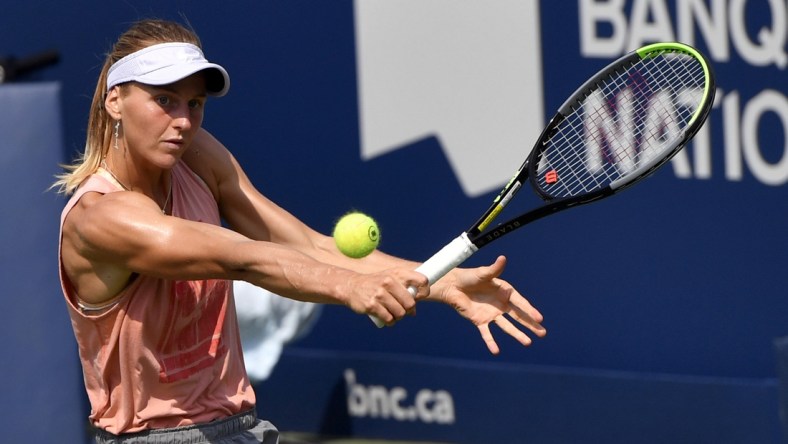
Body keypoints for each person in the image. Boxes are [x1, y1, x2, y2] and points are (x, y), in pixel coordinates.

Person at [54, 19, 546, 444]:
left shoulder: (199, 157)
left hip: (238, 425)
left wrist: (440, 281)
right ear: (114, 100)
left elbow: (305, 243)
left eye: (195, 103)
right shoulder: (101, 219)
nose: (184, 121)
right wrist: (351, 286)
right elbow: (242, 257)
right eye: (164, 100)